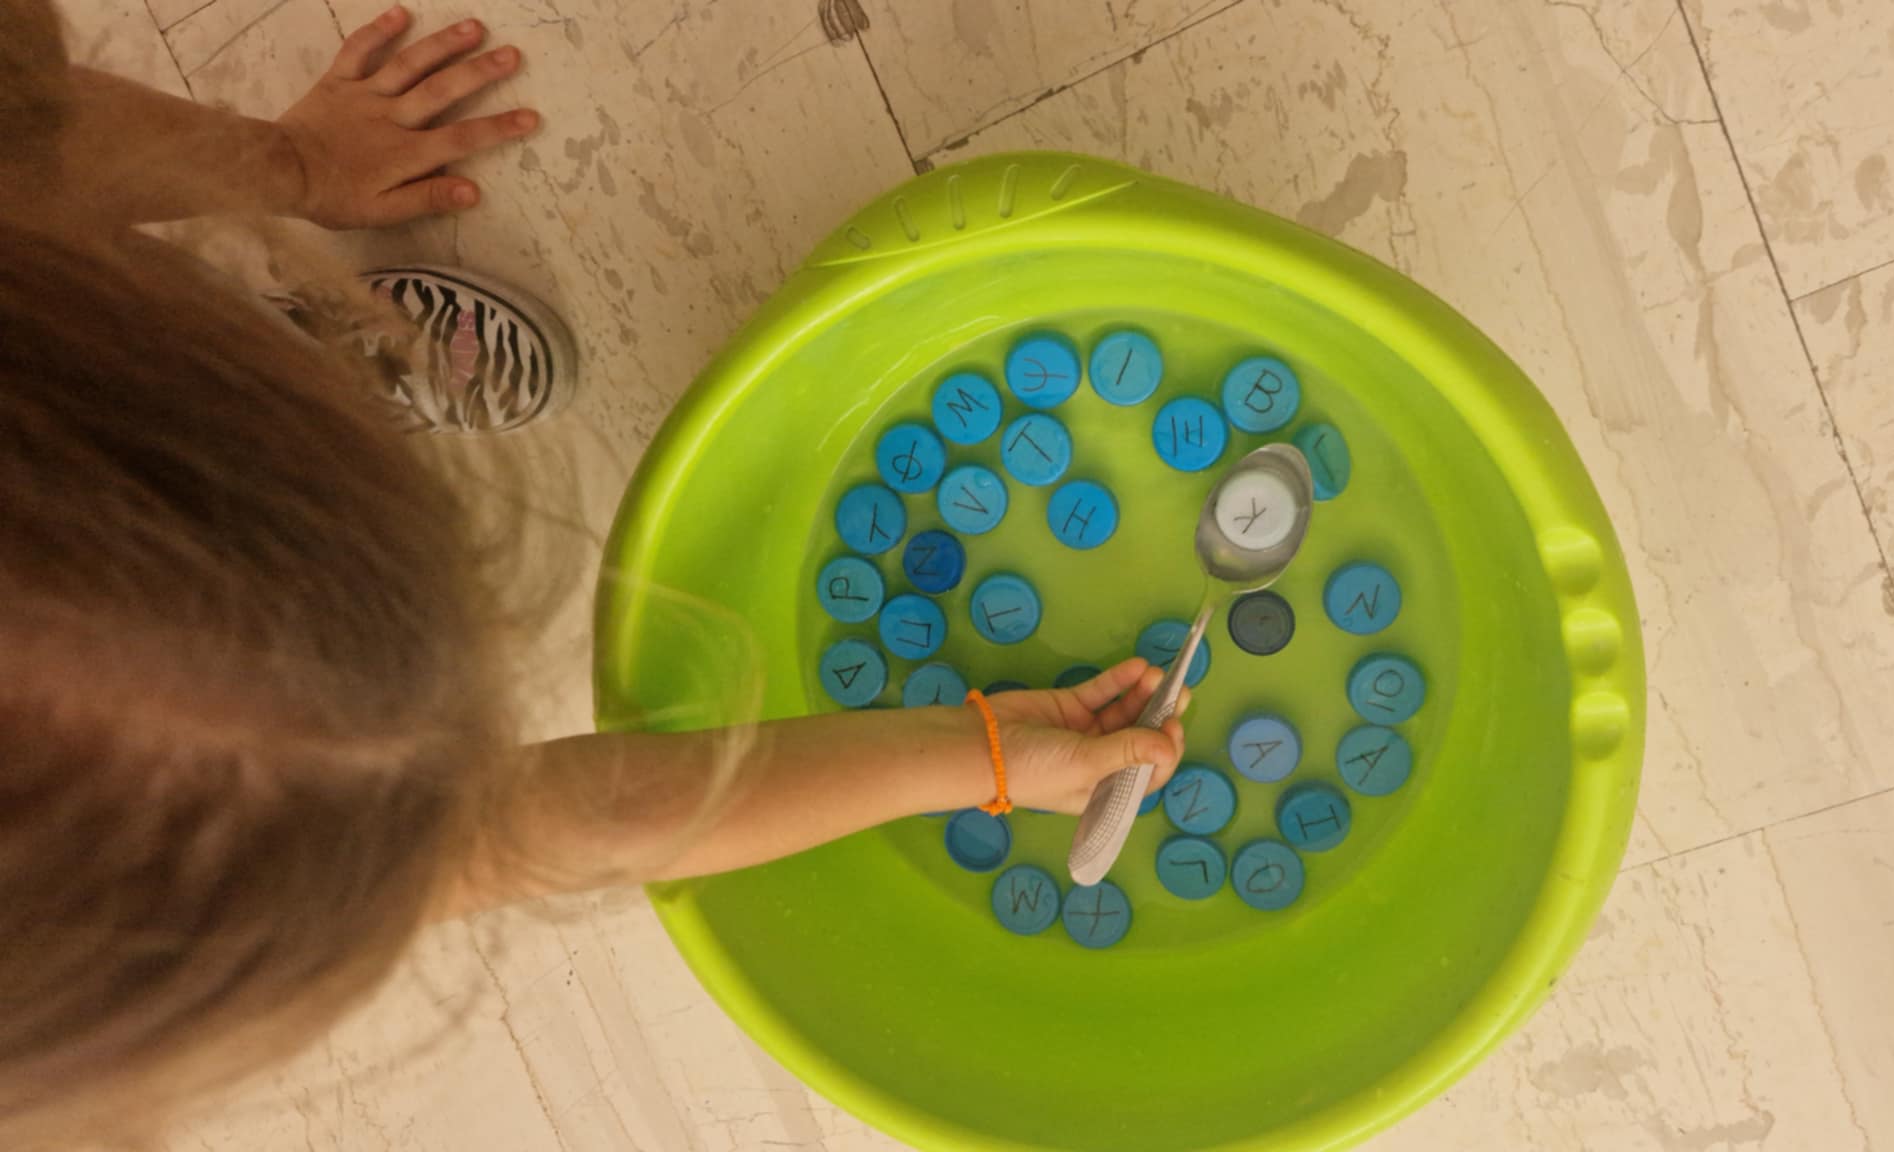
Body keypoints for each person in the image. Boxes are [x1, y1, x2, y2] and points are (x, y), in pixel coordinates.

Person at [0, 4, 1189, 1148]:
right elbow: (561, 820)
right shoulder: (158, 905)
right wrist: (980, 754)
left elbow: (29, 120)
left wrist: (296, 162)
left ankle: (272, 348)